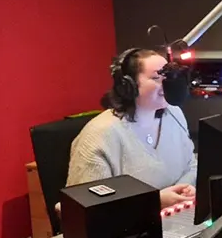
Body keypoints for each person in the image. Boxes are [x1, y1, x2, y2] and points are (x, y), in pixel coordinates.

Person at [61, 48, 197, 213]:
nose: (167, 85)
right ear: (128, 85)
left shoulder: (173, 114)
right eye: (156, 78)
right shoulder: (100, 135)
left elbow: (190, 163)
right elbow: (83, 209)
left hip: (175, 218)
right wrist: (154, 202)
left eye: (168, 77)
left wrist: (186, 189)